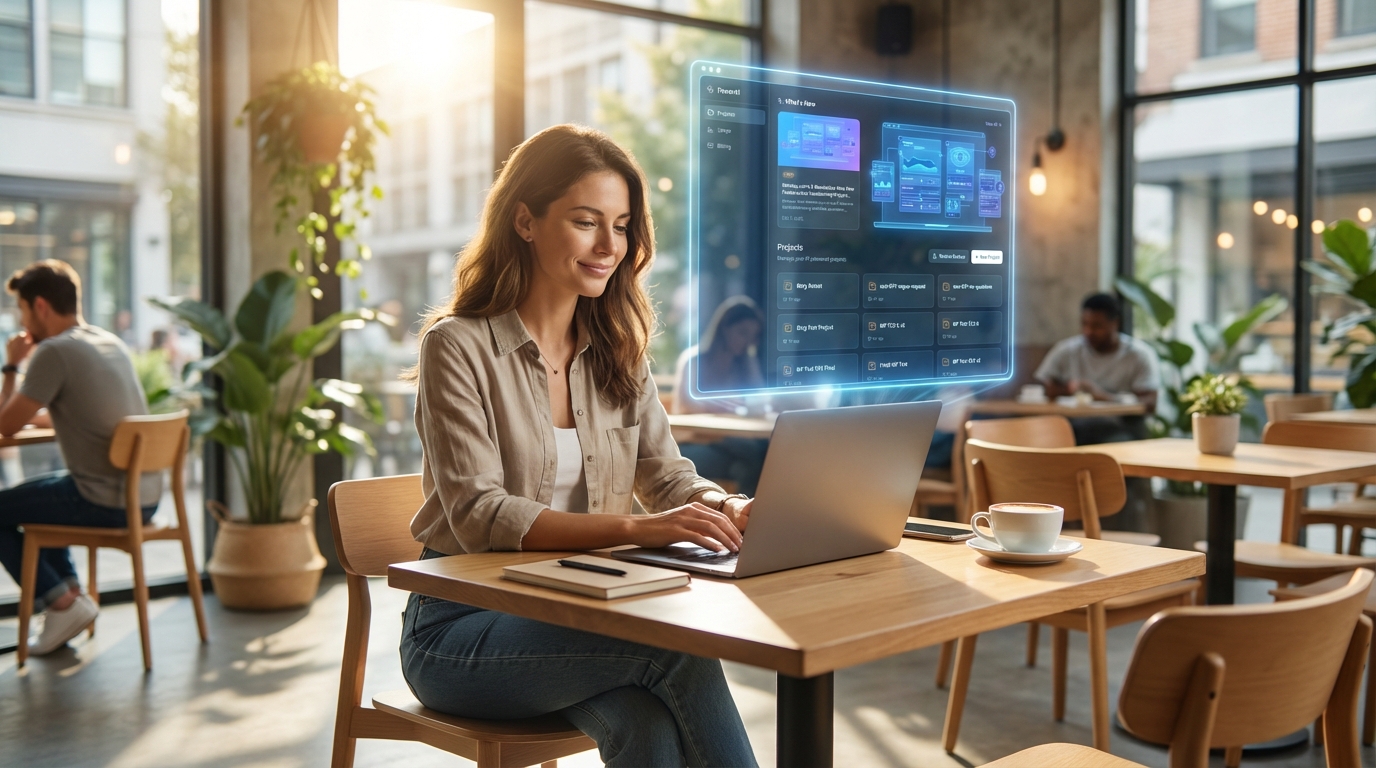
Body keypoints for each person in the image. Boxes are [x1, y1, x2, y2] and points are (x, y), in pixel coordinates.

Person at [403, 125, 757, 768]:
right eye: (587, 221)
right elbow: (481, 514)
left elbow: (667, 472)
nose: (608, 246)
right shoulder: (455, 347)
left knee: (647, 729)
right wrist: (642, 530)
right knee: (676, 645)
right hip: (459, 630)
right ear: (525, 221)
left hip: (579, 604)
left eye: (621, 226)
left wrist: (720, 506)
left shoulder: (619, 352)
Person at [0, 260, 160, 655]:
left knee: (27, 502)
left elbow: (6, 426)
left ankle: (61, 602)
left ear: (39, 307)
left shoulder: (54, 352)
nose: (20, 319)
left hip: (107, 500)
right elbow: (57, 411)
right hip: (145, 498)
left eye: (20, 308)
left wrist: (11, 366)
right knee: (47, 495)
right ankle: (69, 596)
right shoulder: (107, 341)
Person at [670, 296, 769, 495]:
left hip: (732, 443)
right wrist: (725, 405)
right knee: (758, 454)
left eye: (753, 336)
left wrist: (750, 363)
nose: (748, 341)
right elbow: (691, 407)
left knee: (757, 459)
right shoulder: (694, 361)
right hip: (695, 441)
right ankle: (749, 519)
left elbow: (760, 402)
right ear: (724, 328)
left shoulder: (744, 364)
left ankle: (745, 519)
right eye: (743, 333)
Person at [1035, 292, 1160, 443]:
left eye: (1097, 326)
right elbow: (1044, 386)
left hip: (1119, 428)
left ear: (1115, 323)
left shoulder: (1139, 355)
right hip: (1072, 426)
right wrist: (1071, 389)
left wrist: (1102, 396)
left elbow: (1150, 403)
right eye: (1084, 324)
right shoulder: (1067, 350)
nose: (1088, 331)